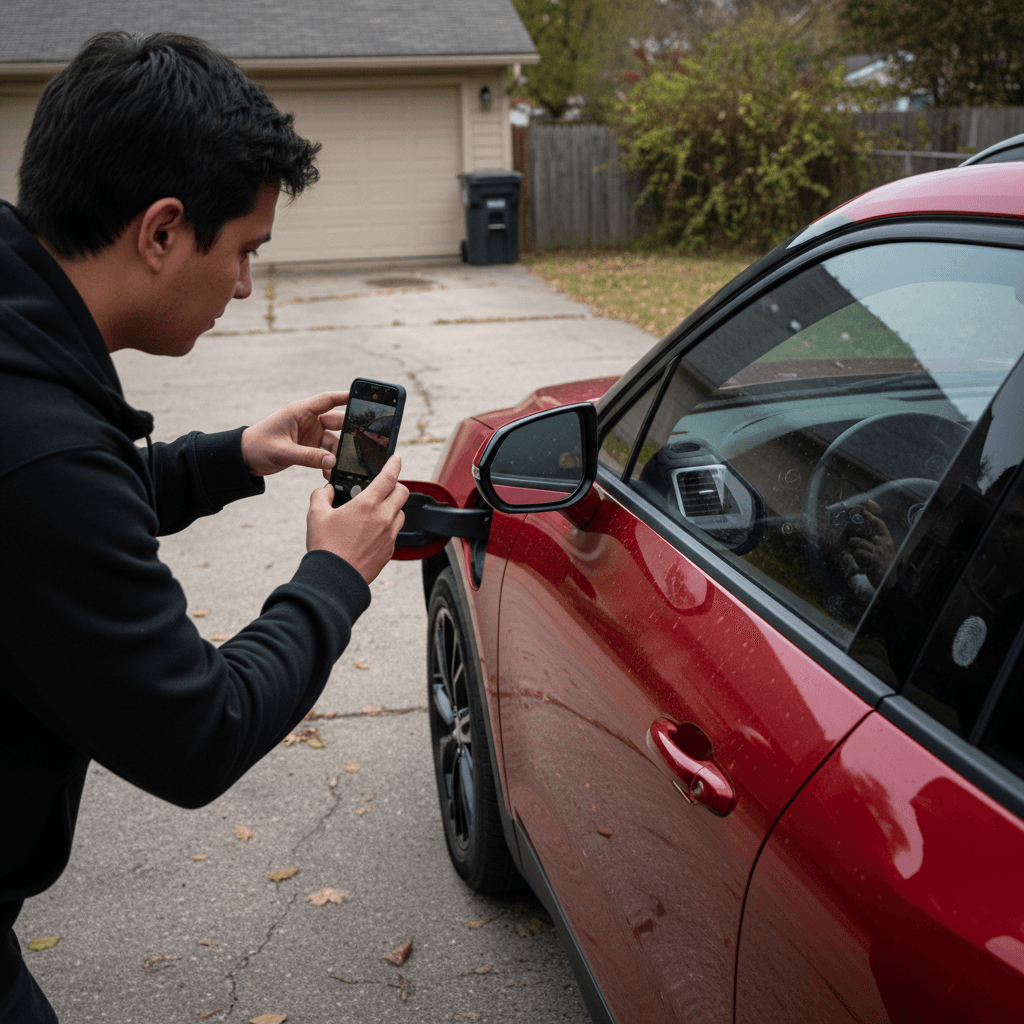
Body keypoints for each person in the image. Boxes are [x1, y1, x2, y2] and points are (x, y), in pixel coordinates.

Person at [0, 31, 408, 1022]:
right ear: (162, 230)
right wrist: (333, 579)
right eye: (244, 251)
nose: (243, 286)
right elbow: (197, 730)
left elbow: (48, 520)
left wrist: (226, 457)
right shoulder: (41, 448)